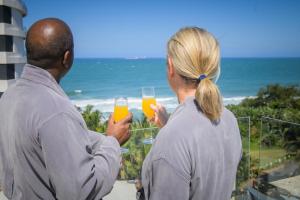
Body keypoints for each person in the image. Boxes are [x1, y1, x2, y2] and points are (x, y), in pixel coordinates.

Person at [0, 18, 132, 199]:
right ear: (67, 57)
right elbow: (82, 192)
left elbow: (45, 137)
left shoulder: (9, 96)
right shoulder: (57, 110)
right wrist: (113, 143)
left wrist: (104, 138)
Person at [141, 27, 242, 200]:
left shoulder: (173, 137)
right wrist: (168, 125)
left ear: (171, 66)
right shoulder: (229, 119)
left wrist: (170, 131)